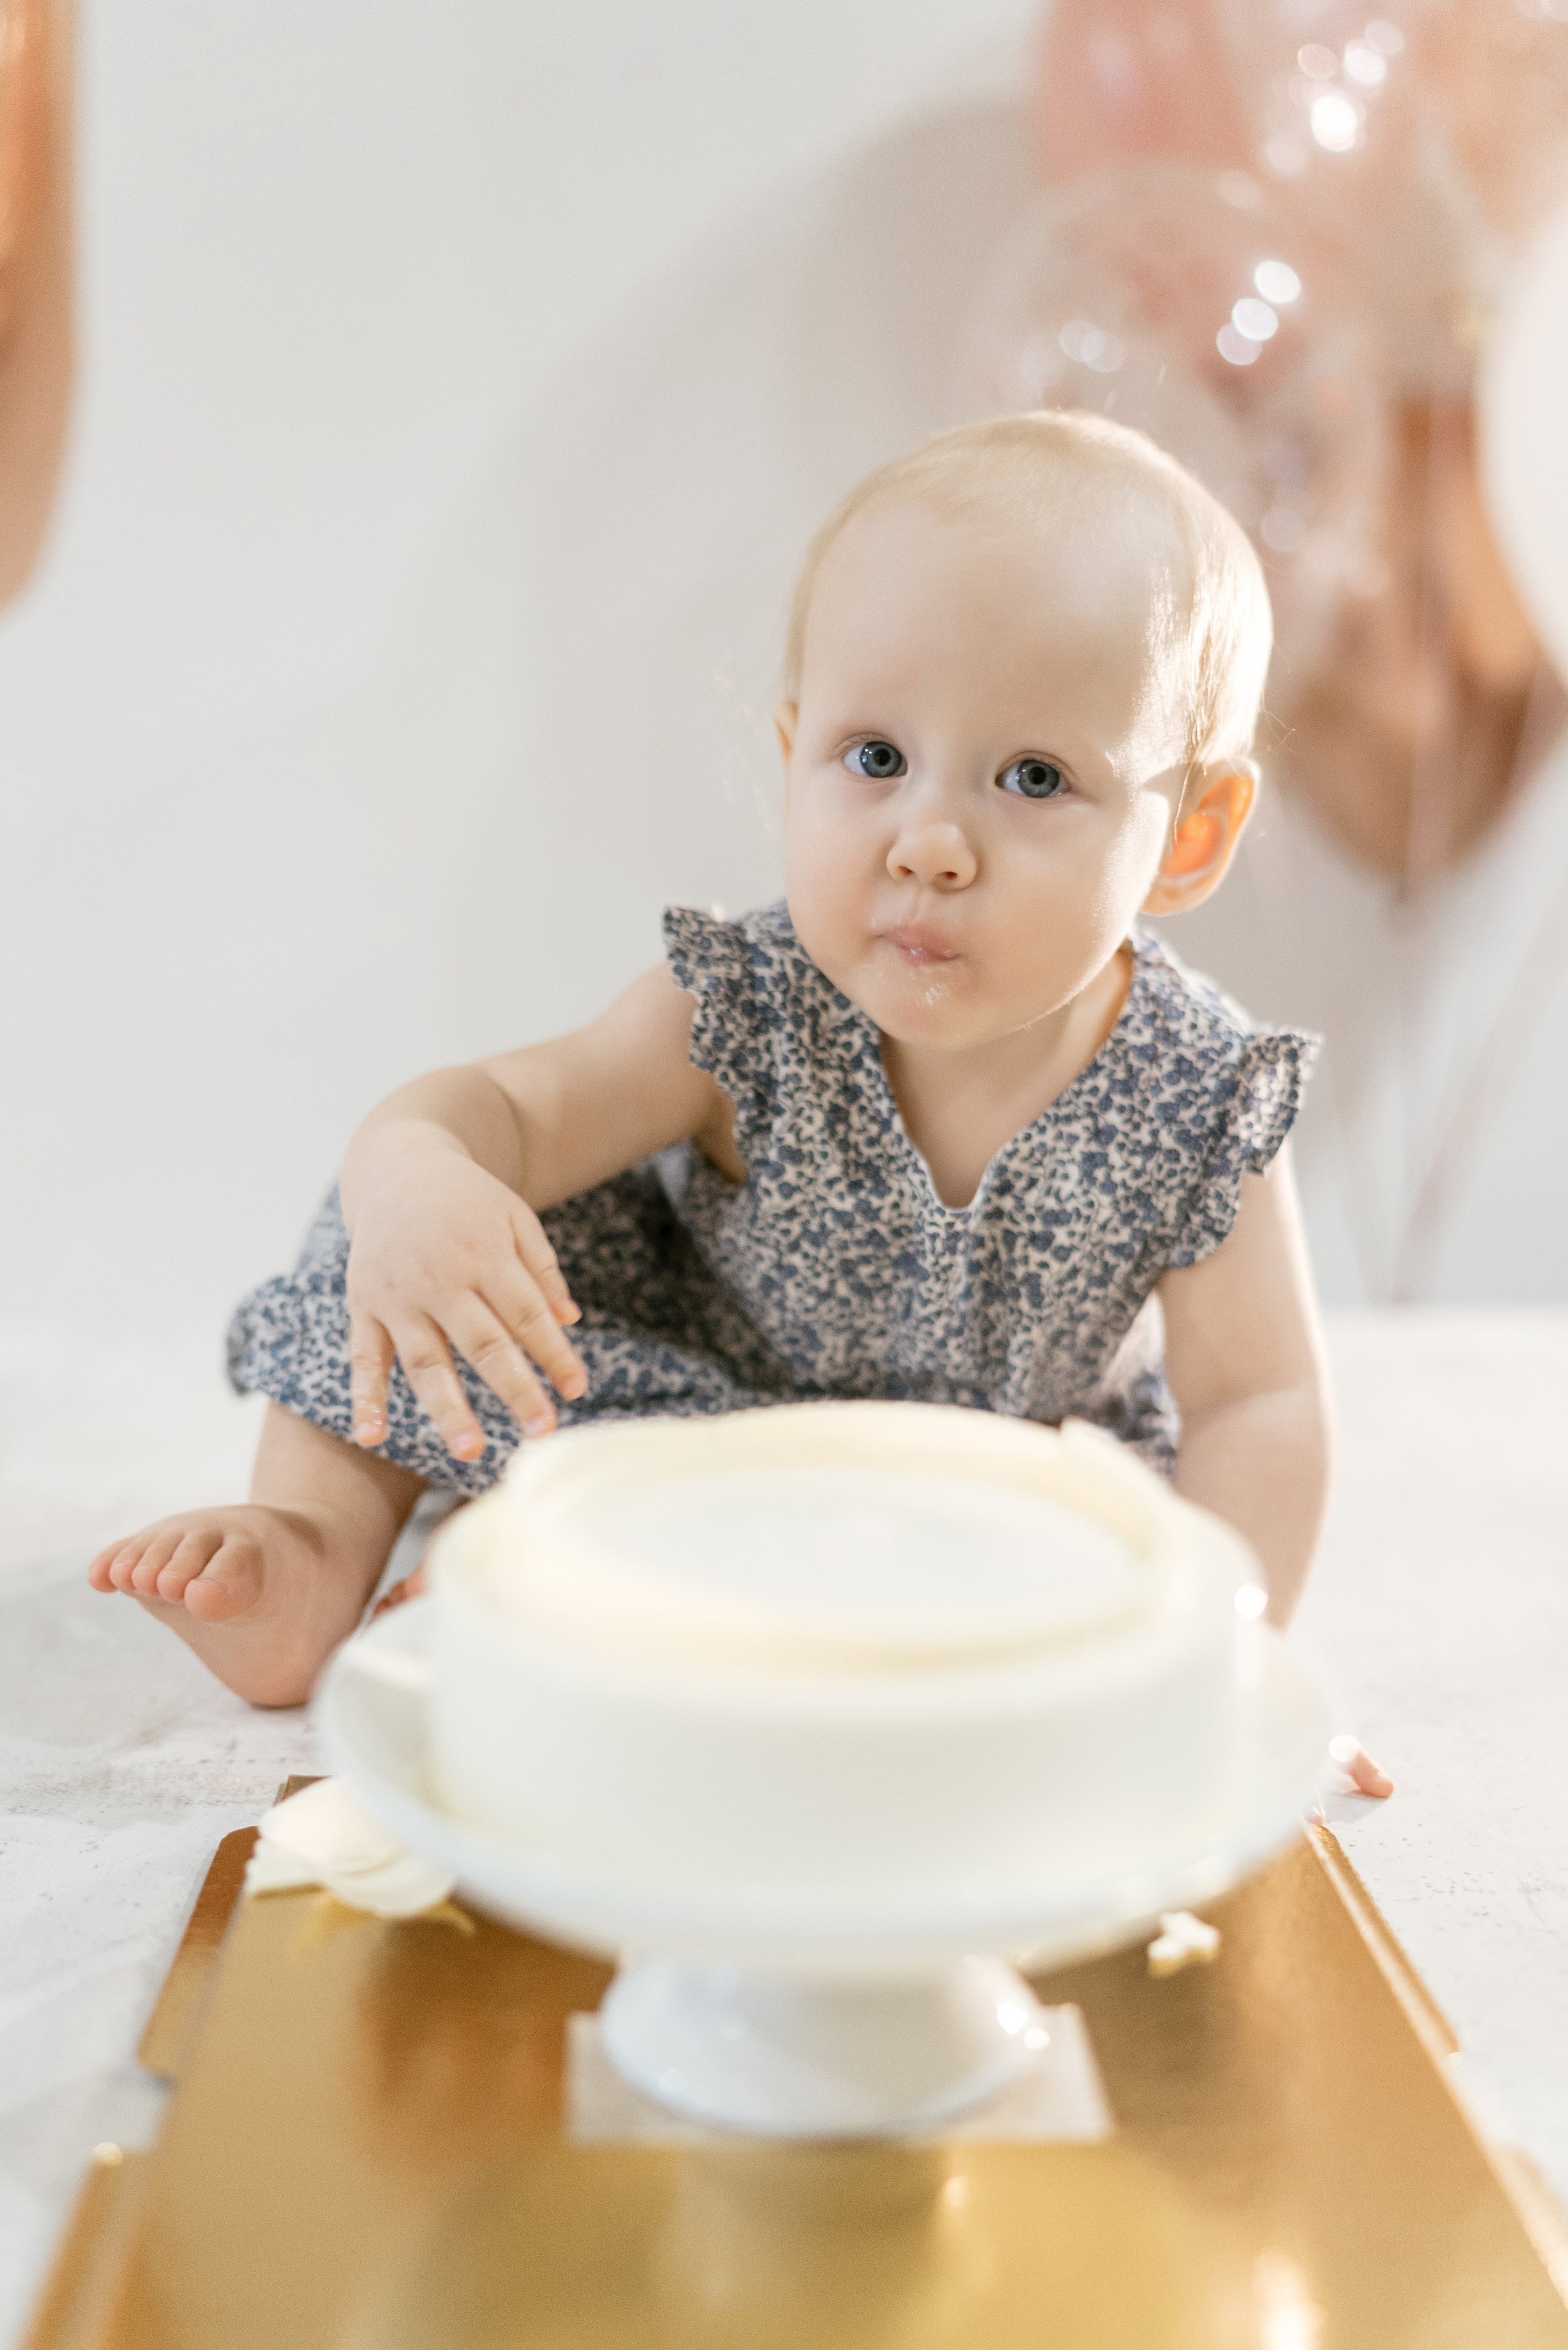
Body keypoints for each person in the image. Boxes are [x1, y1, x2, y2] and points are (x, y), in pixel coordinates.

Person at [88, 412, 1338, 1730]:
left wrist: (1223, 1658)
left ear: (1189, 835)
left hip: (966, 1495)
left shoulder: (1198, 1099)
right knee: (403, 1233)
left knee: (1036, 1607)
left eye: (1032, 776)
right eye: (874, 758)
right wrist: (412, 1177)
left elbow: (1258, 1400)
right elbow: (502, 1109)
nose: (929, 841)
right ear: (794, 750)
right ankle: (314, 1542)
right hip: (676, 1419)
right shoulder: (746, 1005)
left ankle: (533, 1575)